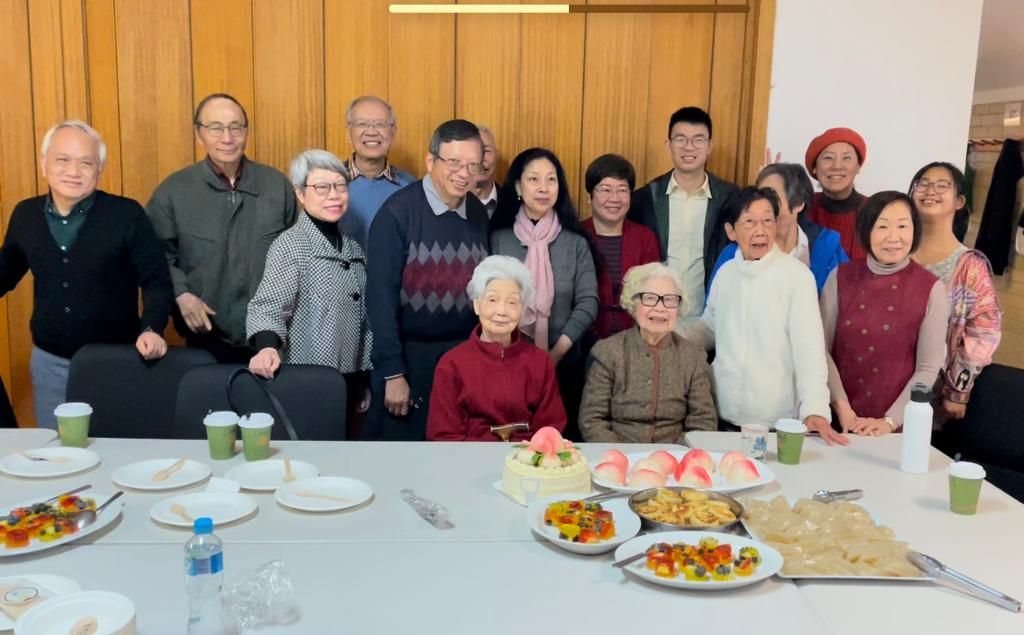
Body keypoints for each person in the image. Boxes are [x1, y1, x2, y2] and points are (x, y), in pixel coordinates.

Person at [0, 120, 173, 428]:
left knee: (118, 452)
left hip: (116, 361)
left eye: (86, 162)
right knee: (58, 457)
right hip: (50, 363)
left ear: (99, 169)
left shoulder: (126, 215)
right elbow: (6, 272)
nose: (73, 171)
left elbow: (156, 280)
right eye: (62, 160)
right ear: (44, 164)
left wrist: (152, 328)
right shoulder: (26, 214)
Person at [681, 187, 847, 446]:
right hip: (723, 415)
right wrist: (666, 333)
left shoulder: (797, 277)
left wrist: (814, 409)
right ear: (731, 231)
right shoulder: (726, 273)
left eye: (767, 220)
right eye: (749, 221)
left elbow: (810, 351)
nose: (760, 230)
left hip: (774, 421)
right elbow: (709, 330)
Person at [147, 93, 297, 363]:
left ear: (246, 132)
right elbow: (155, 257)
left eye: (235, 127)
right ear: (199, 134)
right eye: (215, 128)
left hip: (270, 342)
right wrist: (180, 293)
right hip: (204, 340)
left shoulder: (277, 186)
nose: (227, 138)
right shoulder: (173, 191)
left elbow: (298, 255)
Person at [365, 119, 490, 440]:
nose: (464, 173)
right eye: (455, 163)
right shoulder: (397, 213)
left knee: (454, 449)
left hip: (462, 356)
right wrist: (393, 372)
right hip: (409, 357)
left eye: (473, 165)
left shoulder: (476, 212)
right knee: (405, 458)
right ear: (430, 161)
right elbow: (380, 300)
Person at [246, 150, 372, 422]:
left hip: (350, 379)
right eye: (322, 187)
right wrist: (266, 346)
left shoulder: (354, 248)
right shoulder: (291, 245)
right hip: (306, 380)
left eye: (340, 186)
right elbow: (268, 305)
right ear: (300, 194)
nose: (334, 195)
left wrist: (364, 376)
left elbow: (364, 320)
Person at [490, 148, 599, 438]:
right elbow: (488, 301)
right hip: (507, 362)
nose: (543, 187)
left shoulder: (575, 243)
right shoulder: (498, 239)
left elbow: (588, 302)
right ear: (517, 186)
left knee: (557, 442)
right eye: (534, 179)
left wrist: (555, 354)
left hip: (565, 364)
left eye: (551, 180)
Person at [821, 192, 948, 436]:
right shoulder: (840, 277)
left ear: (915, 231)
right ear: (866, 230)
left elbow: (928, 367)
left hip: (897, 427)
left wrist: (890, 421)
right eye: (882, 226)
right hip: (836, 420)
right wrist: (843, 410)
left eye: (902, 226)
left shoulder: (930, 287)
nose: (893, 237)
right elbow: (821, 349)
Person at [427, 256, 566, 441]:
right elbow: (443, 435)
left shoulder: (540, 362)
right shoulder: (451, 364)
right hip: (468, 461)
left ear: (522, 309)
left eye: (512, 302)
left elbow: (551, 428)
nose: (502, 311)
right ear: (477, 304)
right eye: (492, 300)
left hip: (526, 462)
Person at [580, 262, 717, 442]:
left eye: (669, 299)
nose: (660, 308)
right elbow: (591, 421)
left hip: (675, 460)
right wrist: (623, 457)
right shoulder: (607, 353)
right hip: (618, 460)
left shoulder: (694, 357)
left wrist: (672, 457)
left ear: (678, 308)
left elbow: (703, 423)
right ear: (633, 303)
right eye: (650, 298)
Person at [628, 106, 738, 325]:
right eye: (681, 139)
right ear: (668, 145)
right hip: (657, 317)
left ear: (709, 147)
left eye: (698, 139)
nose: (689, 147)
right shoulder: (646, 198)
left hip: (711, 319)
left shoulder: (730, 198)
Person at [909, 162, 1002, 420]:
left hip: (933, 397)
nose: (930, 191)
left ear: (959, 201)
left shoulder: (970, 266)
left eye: (942, 186)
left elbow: (983, 332)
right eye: (923, 184)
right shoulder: (894, 252)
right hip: (881, 384)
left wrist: (957, 391)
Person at [710, 163, 847, 294]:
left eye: (772, 197)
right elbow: (712, 311)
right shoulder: (734, 253)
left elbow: (846, 303)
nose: (763, 205)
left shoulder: (827, 247)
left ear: (799, 203)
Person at [581, 154, 660, 339]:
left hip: (636, 340)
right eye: (605, 190)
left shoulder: (645, 238)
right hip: (583, 341)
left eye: (622, 190)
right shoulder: (577, 236)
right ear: (589, 196)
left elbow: (652, 295)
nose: (614, 198)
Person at [341, 96, 417, 250]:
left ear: (393, 132)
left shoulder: (410, 186)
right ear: (348, 133)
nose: (371, 132)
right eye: (362, 124)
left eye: (380, 124)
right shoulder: (330, 183)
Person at [804, 127, 869, 260]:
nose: (837, 166)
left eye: (846, 158)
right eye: (828, 158)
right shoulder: (801, 207)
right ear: (815, 168)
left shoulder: (876, 210)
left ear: (858, 167)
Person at [473, 126, 500, 218]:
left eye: (486, 151)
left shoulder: (512, 204)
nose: (480, 159)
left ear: (496, 155)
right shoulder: (449, 203)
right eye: (474, 151)